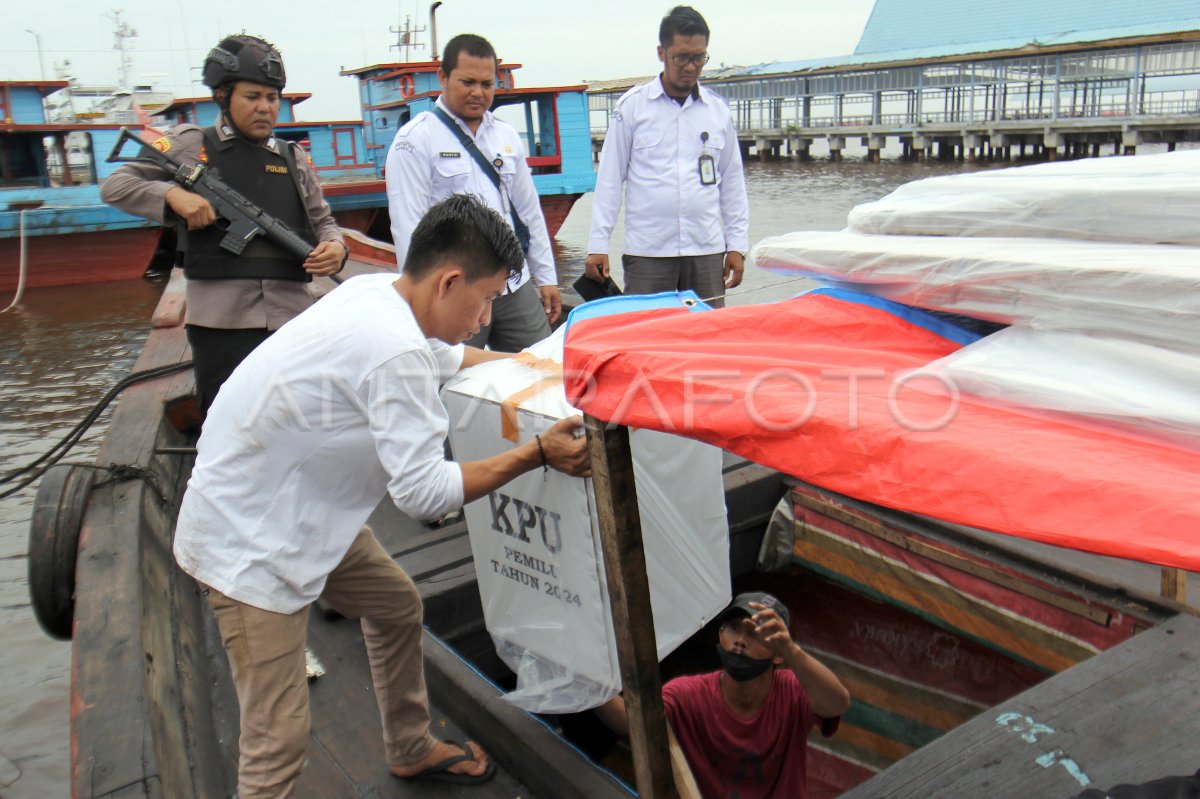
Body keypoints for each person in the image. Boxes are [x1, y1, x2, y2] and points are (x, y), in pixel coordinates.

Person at [173, 194, 591, 798]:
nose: (484, 316)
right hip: (249, 546)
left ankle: (411, 746)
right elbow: (423, 495)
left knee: (396, 608)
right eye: (488, 298)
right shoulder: (394, 350)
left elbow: (450, 356)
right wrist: (536, 453)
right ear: (450, 281)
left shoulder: (376, 295)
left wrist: (533, 368)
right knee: (279, 737)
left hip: (306, 510)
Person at [102, 34, 347, 416]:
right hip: (222, 325)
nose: (265, 108)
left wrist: (336, 248)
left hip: (291, 319)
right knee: (226, 426)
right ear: (222, 96)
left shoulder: (292, 158)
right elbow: (116, 185)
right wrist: (172, 198)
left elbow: (322, 222)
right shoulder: (191, 144)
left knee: (300, 423)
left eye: (272, 98)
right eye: (252, 97)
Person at [385, 33, 561, 352]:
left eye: (487, 84)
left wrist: (546, 275)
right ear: (443, 77)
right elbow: (407, 226)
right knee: (453, 381)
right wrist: (421, 304)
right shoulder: (415, 140)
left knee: (540, 368)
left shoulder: (507, 137)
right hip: (457, 292)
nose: (478, 92)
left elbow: (528, 211)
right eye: (467, 82)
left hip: (512, 283)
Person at [597, 591, 851, 799]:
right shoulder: (690, 694)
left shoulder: (792, 690)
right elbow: (632, 722)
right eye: (733, 629)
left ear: (778, 654)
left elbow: (837, 703)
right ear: (720, 635)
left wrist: (792, 650)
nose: (740, 640)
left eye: (756, 633)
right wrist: (584, 679)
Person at [584, 6, 750, 309]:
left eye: (699, 57)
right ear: (662, 53)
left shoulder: (717, 111)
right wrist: (598, 245)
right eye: (682, 57)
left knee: (708, 336)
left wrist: (737, 246)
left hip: (706, 251)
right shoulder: (632, 107)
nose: (690, 67)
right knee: (646, 338)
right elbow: (609, 179)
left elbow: (733, 184)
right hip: (648, 252)